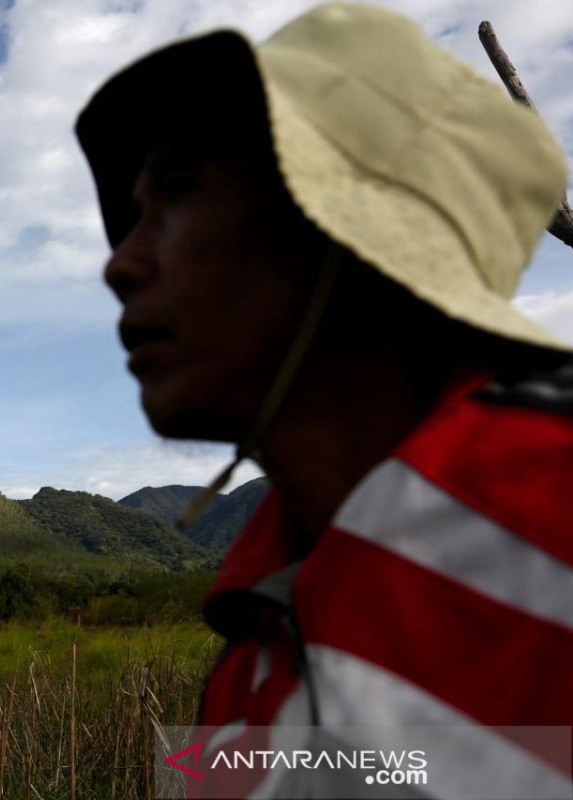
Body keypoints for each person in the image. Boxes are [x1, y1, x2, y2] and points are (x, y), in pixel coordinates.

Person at [76, 3, 572, 797]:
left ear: (347, 231)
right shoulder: (257, 625)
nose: (119, 266)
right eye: (133, 217)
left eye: (174, 191)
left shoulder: (551, 515)